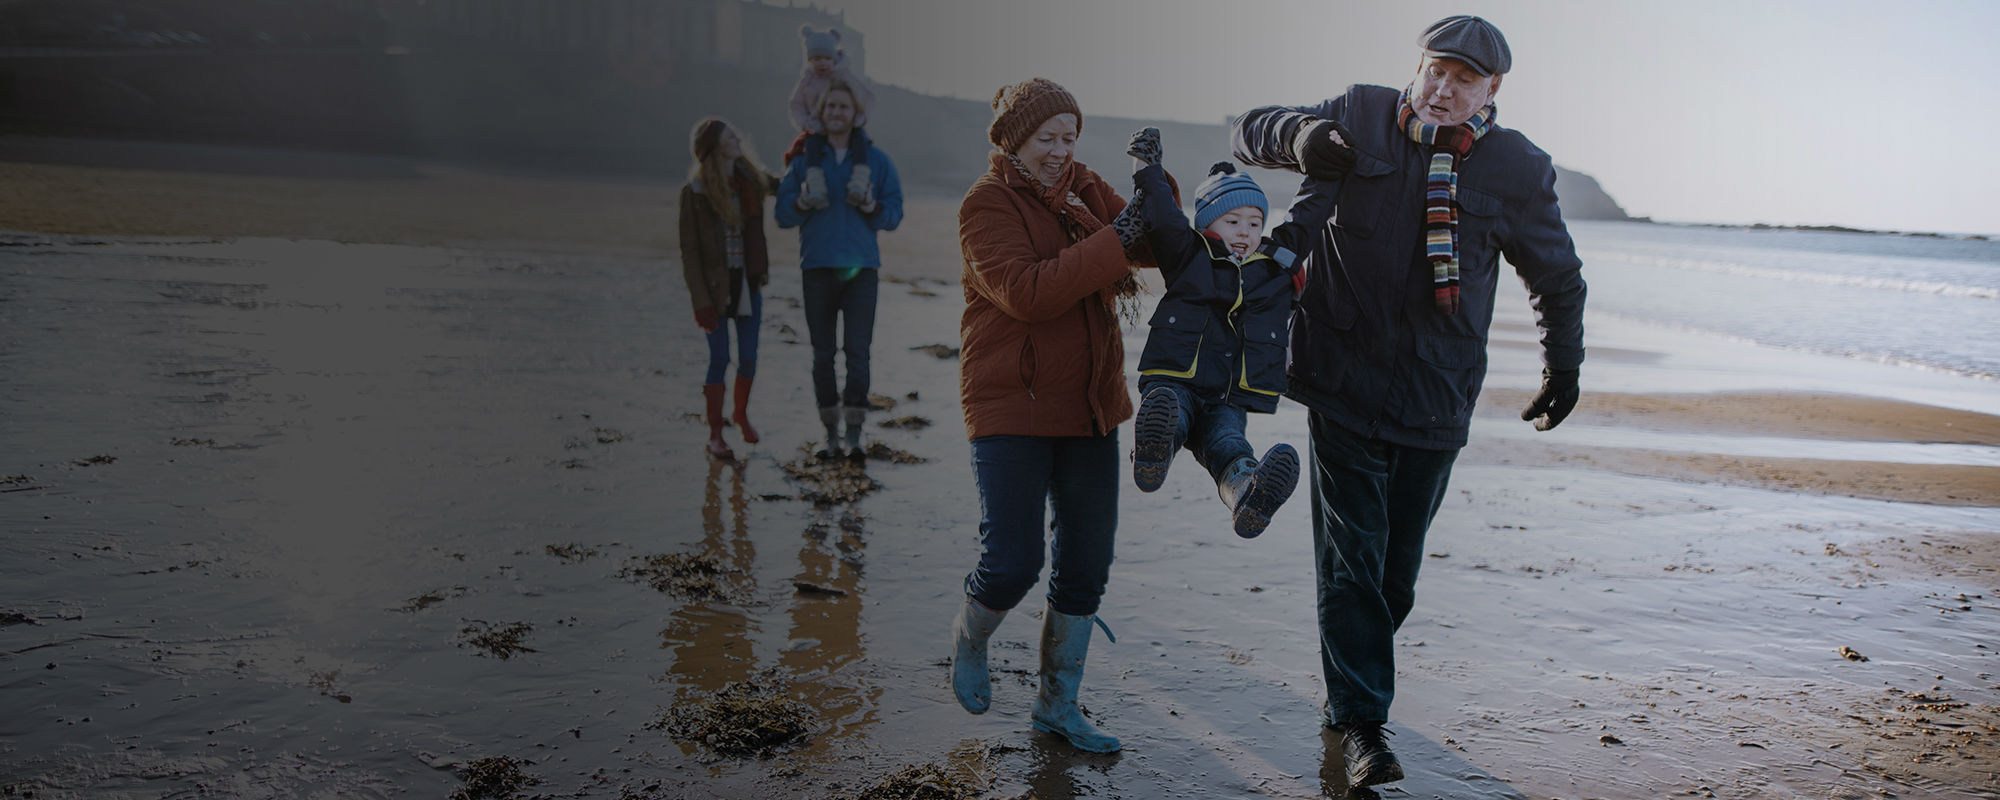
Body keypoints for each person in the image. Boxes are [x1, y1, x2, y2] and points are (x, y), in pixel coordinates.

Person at [1230, 15, 1587, 789]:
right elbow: (1248, 131)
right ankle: (1363, 729)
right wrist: (1301, 138)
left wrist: (1564, 368)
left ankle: (1348, 691)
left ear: (1493, 90)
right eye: (1435, 71)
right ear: (1417, 67)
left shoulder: (1519, 169)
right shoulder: (1358, 114)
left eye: (1464, 79)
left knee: (1394, 580)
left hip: (1438, 393)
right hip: (1340, 375)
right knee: (1352, 562)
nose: (1443, 89)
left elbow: (1557, 278)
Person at [947, 77, 1163, 755]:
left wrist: (1153, 186)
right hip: (1012, 403)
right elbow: (1027, 293)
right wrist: (1116, 241)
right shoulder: (985, 205)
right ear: (1015, 140)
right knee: (1012, 563)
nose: (1060, 150)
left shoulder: (1084, 186)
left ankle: (1056, 708)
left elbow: (1154, 243)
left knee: (1085, 566)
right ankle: (970, 637)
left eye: (1070, 137)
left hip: (1092, 405)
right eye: (1047, 138)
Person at [1121, 127, 1333, 539]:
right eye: (1232, 221)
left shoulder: (1274, 267)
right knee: (1173, 414)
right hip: (1177, 380)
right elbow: (1163, 215)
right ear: (1206, 223)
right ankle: (1153, 451)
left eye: (1255, 223)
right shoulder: (1189, 255)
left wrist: (1329, 168)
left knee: (1228, 444)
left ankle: (1247, 494)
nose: (1245, 232)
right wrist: (1146, 167)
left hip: (1227, 396)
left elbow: (1308, 217)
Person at [775, 80, 903, 461]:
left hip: (862, 270)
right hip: (816, 267)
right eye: (830, 107)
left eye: (843, 107)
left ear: (856, 113)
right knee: (822, 355)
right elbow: (782, 214)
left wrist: (870, 207)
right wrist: (801, 200)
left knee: (858, 354)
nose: (836, 113)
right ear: (821, 112)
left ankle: (854, 437)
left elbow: (894, 214)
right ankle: (829, 436)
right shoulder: (803, 161)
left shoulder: (877, 162)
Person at [678, 117, 777, 460]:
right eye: (728, 136)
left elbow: (785, 185)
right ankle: (716, 434)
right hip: (714, 290)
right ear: (712, 146)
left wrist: (806, 151)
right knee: (719, 358)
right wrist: (700, 302)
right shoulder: (696, 192)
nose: (736, 138)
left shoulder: (752, 181)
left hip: (748, 282)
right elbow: (689, 253)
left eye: (735, 134)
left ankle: (741, 414)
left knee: (748, 358)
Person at [783, 26, 879, 206]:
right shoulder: (807, 81)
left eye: (827, 58)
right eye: (817, 59)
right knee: (811, 148)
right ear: (810, 60)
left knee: (861, 143)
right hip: (817, 127)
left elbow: (867, 97)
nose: (822, 63)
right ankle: (815, 186)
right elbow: (795, 105)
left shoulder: (844, 76)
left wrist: (860, 118)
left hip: (847, 128)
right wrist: (805, 122)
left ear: (834, 58)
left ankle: (859, 182)